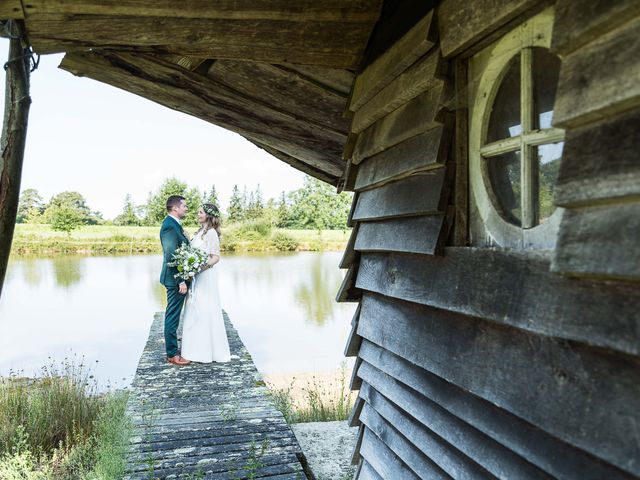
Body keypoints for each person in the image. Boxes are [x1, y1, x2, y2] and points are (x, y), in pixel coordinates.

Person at [181, 203, 231, 363]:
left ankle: (207, 351)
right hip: (196, 276)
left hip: (205, 277)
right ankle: (194, 350)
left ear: (208, 215)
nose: (198, 214)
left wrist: (197, 268)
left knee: (204, 309)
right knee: (193, 308)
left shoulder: (211, 233)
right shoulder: (200, 232)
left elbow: (215, 257)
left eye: (200, 212)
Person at [159, 195, 191, 366]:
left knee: (174, 314)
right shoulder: (169, 227)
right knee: (172, 316)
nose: (186, 208)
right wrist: (180, 281)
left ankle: (174, 350)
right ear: (175, 208)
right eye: (184, 206)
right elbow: (171, 255)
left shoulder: (175, 225)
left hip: (177, 278)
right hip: (174, 279)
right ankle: (172, 354)